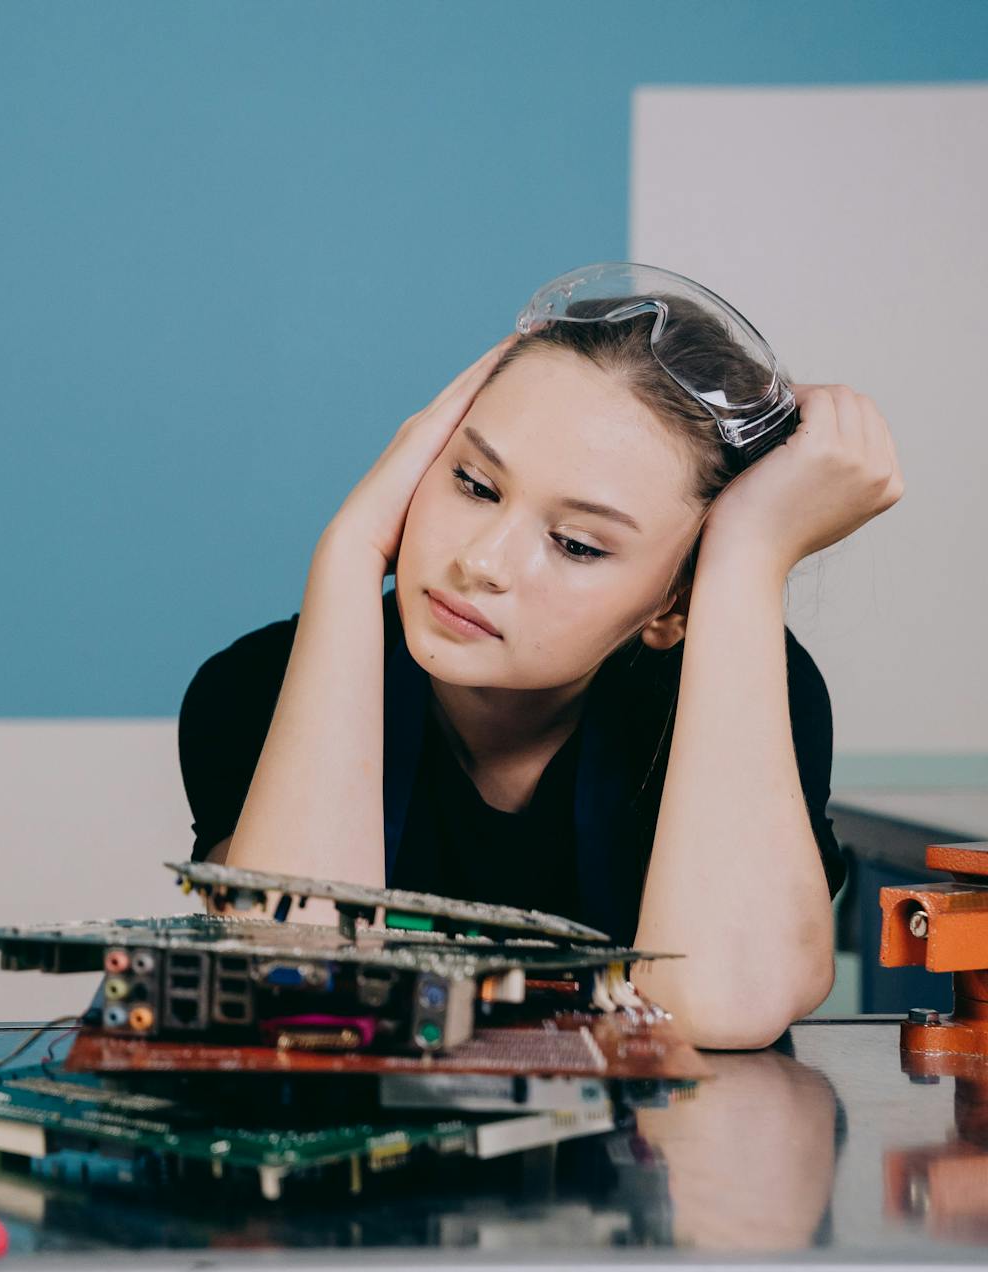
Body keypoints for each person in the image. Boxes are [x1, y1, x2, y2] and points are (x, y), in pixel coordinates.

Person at [178, 264, 902, 1049]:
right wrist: (350, 552)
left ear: (675, 606)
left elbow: (724, 1007)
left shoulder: (754, 688)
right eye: (474, 482)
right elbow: (296, 994)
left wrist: (748, 559)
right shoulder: (256, 687)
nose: (482, 561)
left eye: (577, 543)